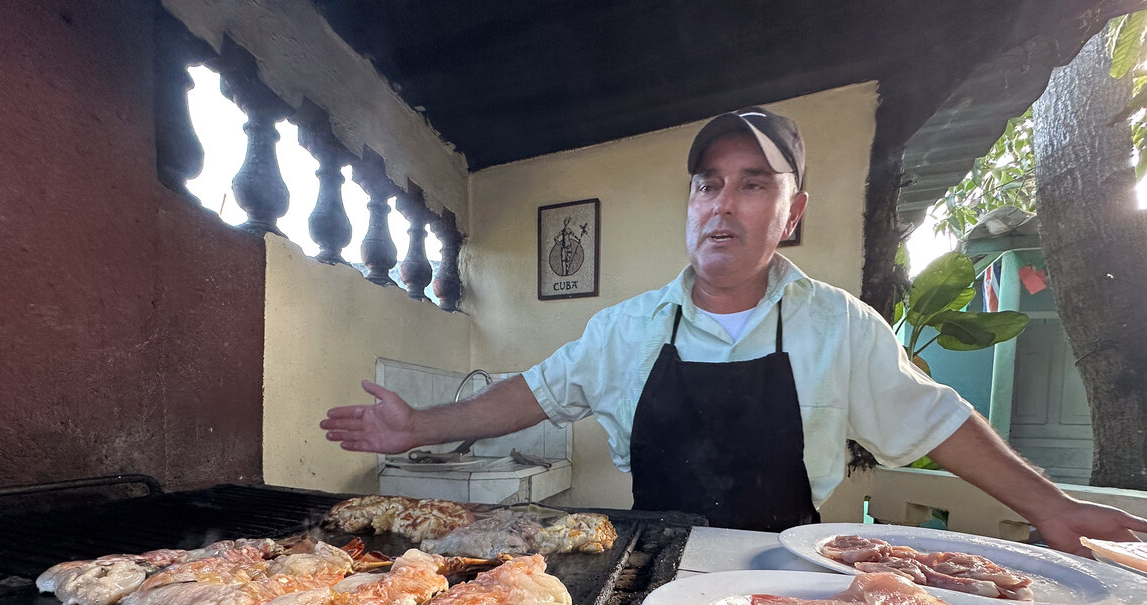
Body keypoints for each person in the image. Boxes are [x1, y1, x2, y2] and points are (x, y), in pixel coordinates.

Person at [321, 106, 1147, 554]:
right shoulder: (627, 329)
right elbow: (531, 396)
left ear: (792, 214)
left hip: (780, 581)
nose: (722, 202)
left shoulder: (840, 329)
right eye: (707, 184)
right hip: (645, 579)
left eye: (754, 184)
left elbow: (938, 422)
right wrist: (420, 426)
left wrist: (1052, 505)